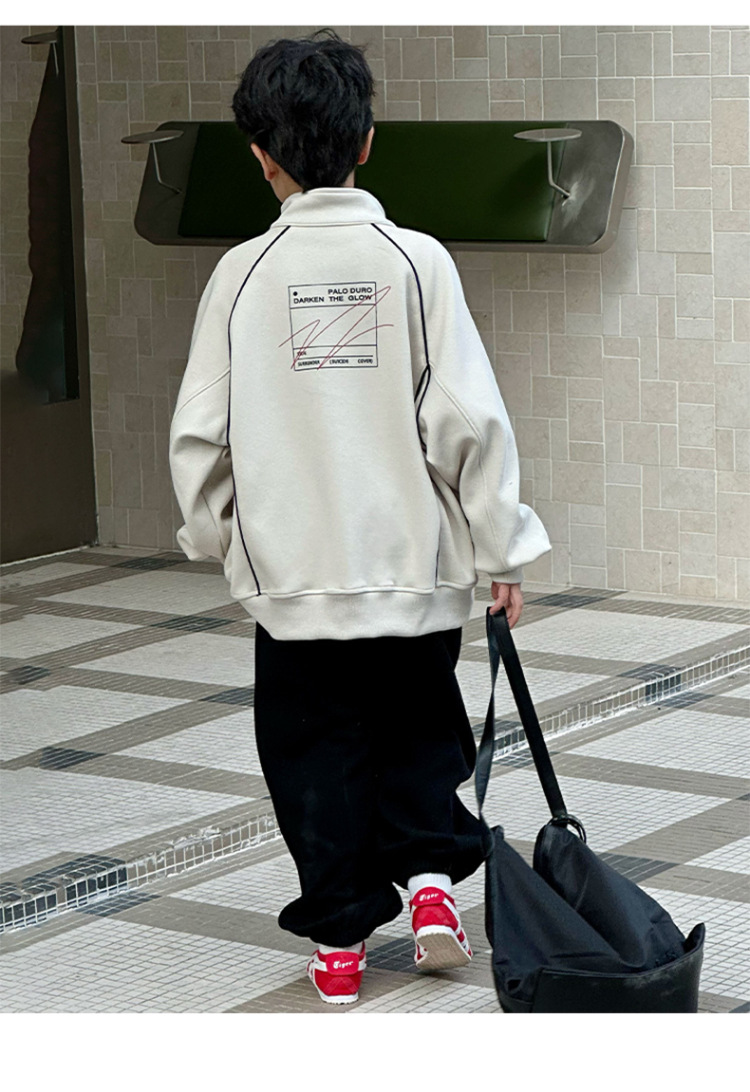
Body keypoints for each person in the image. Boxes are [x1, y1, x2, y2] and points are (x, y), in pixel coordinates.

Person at [169, 28, 552, 1006]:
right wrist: (500, 546)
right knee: (421, 730)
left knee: (314, 755)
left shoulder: (241, 275)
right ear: (368, 141)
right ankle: (431, 892)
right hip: (413, 570)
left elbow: (200, 432)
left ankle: (340, 943)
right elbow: (468, 419)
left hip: (295, 579)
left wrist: (219, 538)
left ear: (261, 156)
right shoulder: (416, 262)